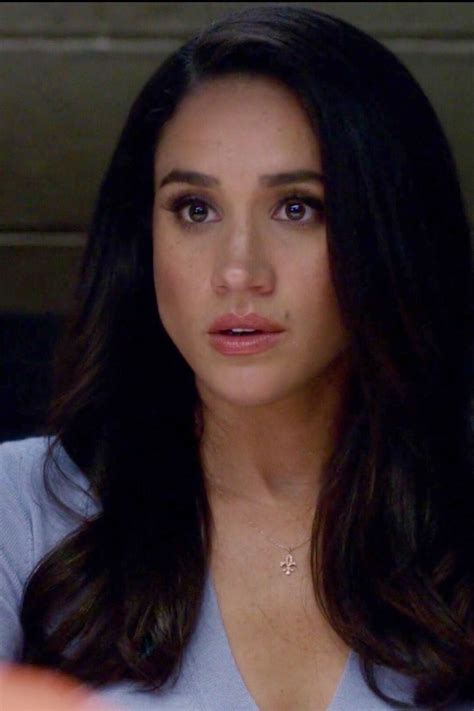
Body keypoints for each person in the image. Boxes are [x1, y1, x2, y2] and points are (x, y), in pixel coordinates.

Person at [0, 5, 472, 710]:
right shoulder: (20, 507)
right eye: (195, 209)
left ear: (389, 229)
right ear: (144, 239)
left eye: (297, 207)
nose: (237, 271)